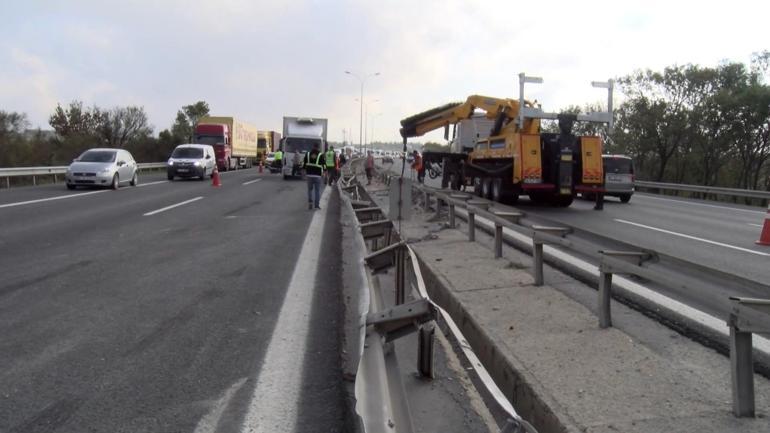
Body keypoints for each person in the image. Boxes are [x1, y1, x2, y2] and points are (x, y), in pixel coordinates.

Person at [302, 143, 325, 210]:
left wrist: (303, 173)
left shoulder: (308, 154)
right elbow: (324, 165)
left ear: (313, 147)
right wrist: (325, 172)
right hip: (317, 175)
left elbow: (304, 164)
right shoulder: (320, 155)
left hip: (309, 175)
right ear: (318, 148)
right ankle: (316, 205)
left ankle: (310, 203)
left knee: (309, 190)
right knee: (317, 191)